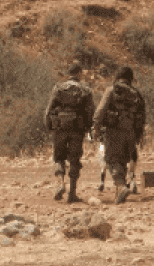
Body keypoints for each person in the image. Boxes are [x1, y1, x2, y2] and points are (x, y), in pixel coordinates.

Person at [92, 66, 146, 204]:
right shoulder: (137, 94)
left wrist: (96, 128)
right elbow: (142, 116)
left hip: (114, 131)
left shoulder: (112, 90)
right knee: (122, 161)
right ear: (130, 78)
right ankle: (119, 194)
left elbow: (100, 111)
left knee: (111, 160)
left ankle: (121, 187)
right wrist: (138, 135)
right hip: (131, 133)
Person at [44, 62, 95, 204]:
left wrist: (49, 126)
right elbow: (90, 112)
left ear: (68, 74)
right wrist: (90, 130)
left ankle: (60, 184)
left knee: (59, 157)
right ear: (79, 74)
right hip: (77, 129)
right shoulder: (85, 89)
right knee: (74, 160)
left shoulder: (58, 88)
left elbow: (48, 110)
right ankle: (72, 194)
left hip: (60, 127)